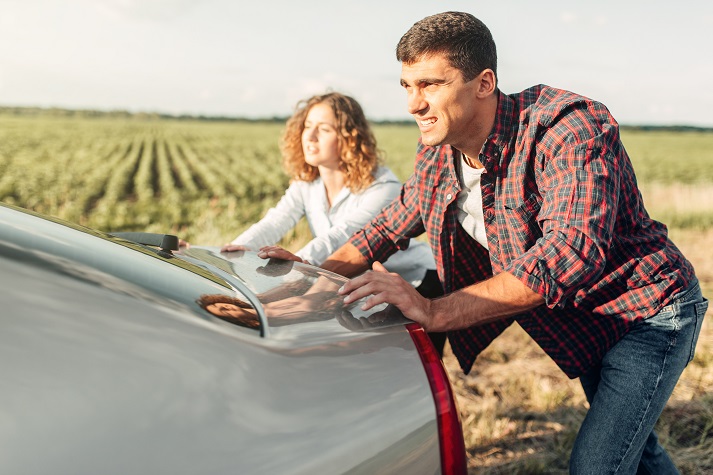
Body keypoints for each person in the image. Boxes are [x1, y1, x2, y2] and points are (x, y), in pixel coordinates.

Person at [318, 11, 708, 474]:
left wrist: (435, 311)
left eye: (431, 85)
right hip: (583, 320)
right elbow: (388, 225)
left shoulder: (567, 127)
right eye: (406, 85)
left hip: (647, 314)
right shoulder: (439, 150)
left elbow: (571, 252)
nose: (413, 104)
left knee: (597, 465)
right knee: (636, 450)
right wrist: (305, 278)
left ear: (483, 83)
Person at [221, 91, 446, 354]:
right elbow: (275, 221)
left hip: (419, 282)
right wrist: (231, 253)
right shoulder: (306, 184)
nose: (311, 136)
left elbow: (342, 238)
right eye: (307, 126)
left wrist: (300, 266)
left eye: (324, 129)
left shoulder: (382, 188)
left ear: (349, 137)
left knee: (412, 361)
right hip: (358, 281)